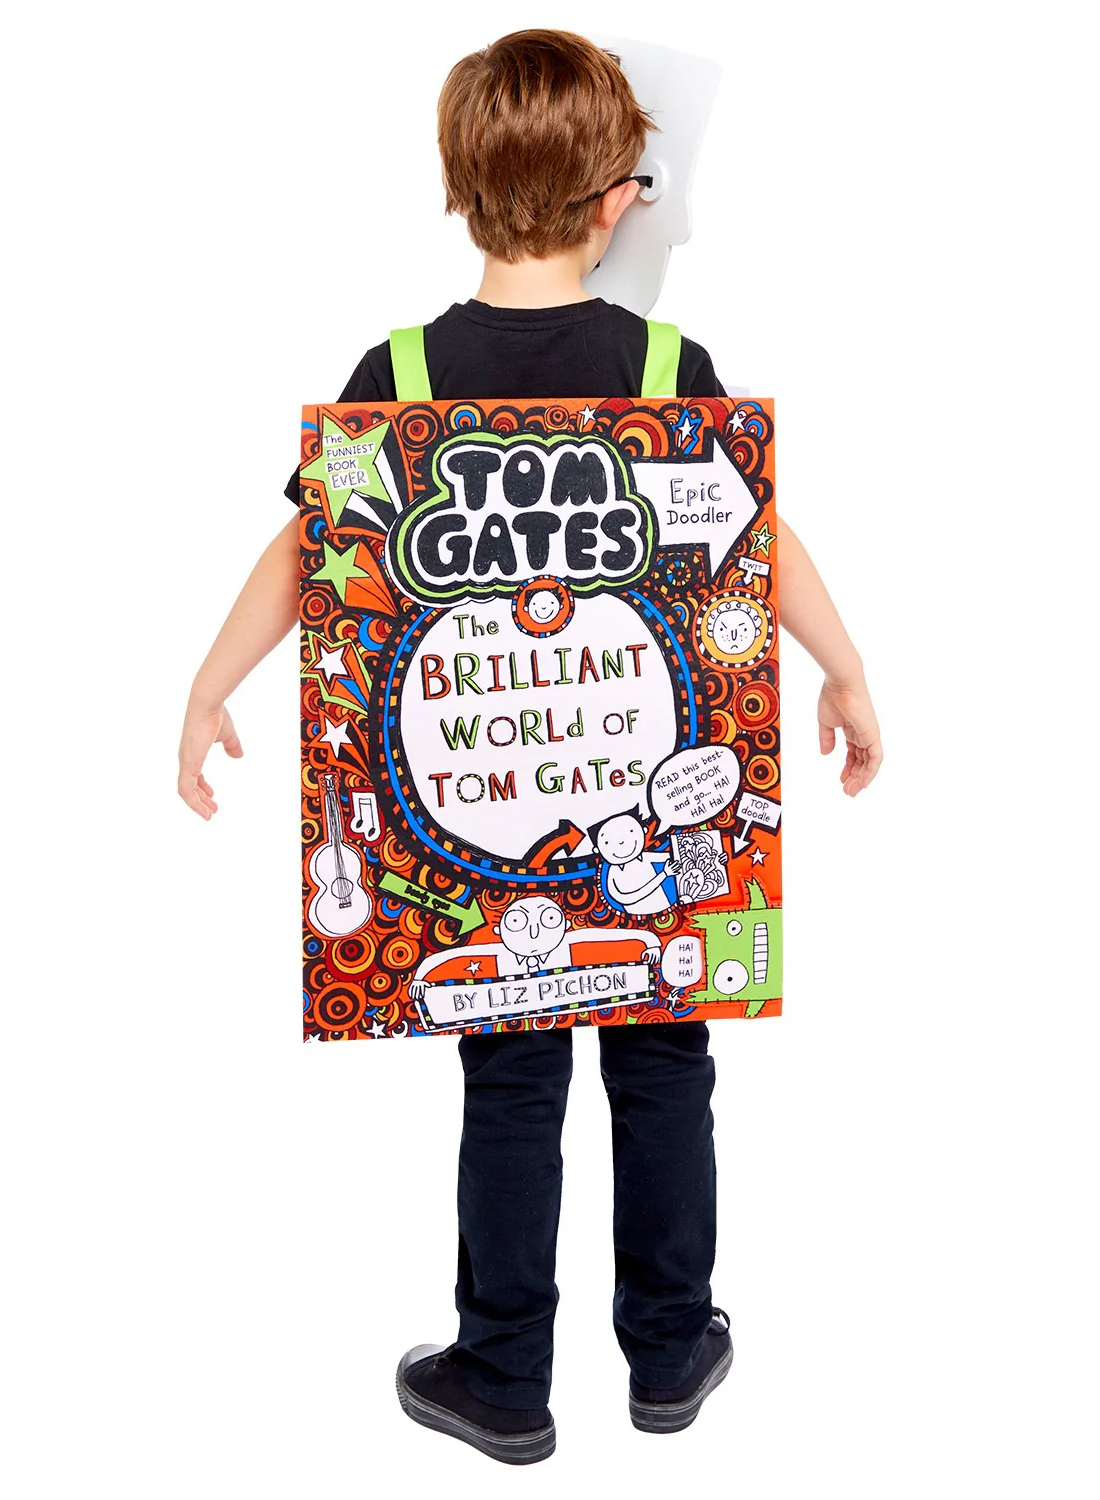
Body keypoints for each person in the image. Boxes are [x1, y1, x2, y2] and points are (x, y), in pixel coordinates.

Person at [177, 27, 883, 1468]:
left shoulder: (403, 372)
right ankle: (670, 1352)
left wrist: (208, 682)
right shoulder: (666, 363)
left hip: (488, 837)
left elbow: (312, 546)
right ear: (619, 198)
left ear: (457, 187)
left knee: (510, 1084)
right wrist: (848, 668)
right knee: (666, 1062)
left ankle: (504, 1374)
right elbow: (756, 539)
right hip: (655, 822)